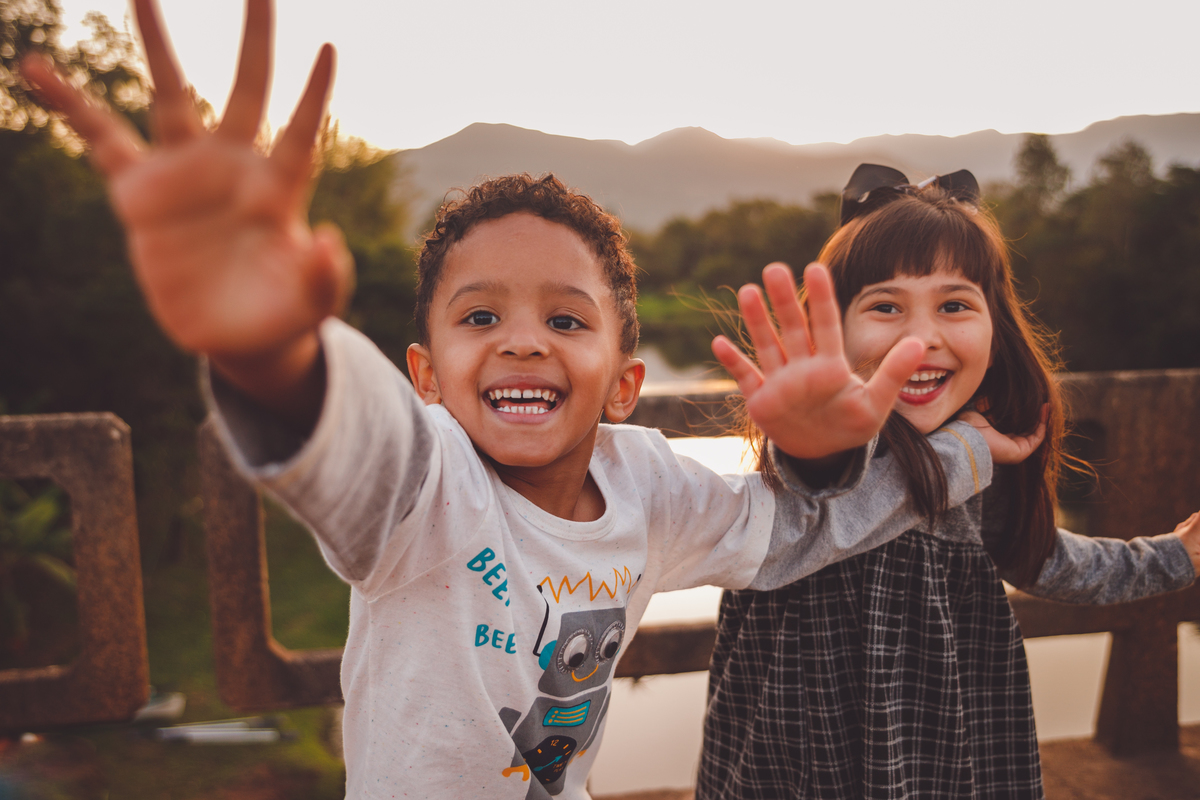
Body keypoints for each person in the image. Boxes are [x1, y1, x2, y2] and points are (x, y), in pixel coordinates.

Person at [18, 6, 1036, 797]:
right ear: (426, 376)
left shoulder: (648, 485)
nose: (520, 339)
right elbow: (349, 439)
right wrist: (269, 343)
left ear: (625, 383)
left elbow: (810, 532)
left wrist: (833, 459)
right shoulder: (424, 490)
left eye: (565, 319)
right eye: (479, 318)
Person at [697, 164, 1200, 800]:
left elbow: (1044, 559)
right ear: (833, 331)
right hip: (804, 763)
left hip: (944, 756)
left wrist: (1170, 557)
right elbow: (818, 507)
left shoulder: (979, 452)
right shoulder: (829, 446)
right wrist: (951, 452)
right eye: (885, 307)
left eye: (955, 305)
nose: (921, 339)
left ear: (998, 327)